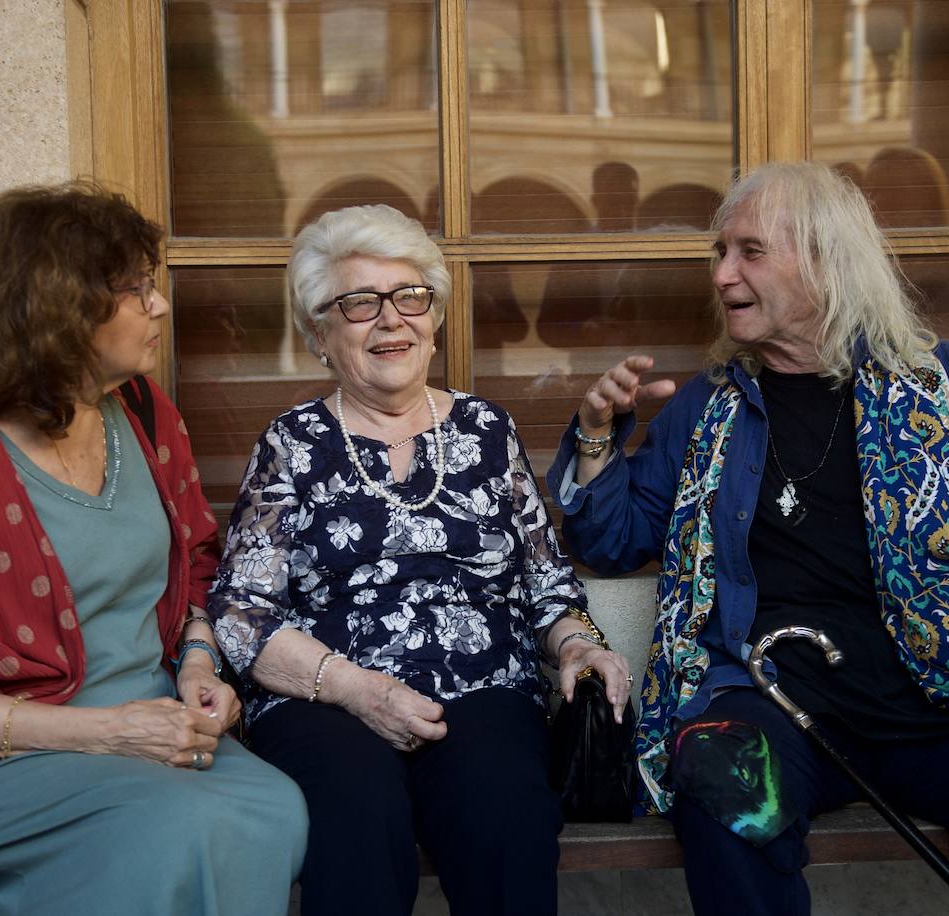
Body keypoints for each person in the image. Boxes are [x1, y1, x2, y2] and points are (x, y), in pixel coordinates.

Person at [546, 161, 949, 915]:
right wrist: (593, 437)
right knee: (721, 781)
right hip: (775, 700)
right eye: (719, 253)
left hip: (947, 703)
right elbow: (612, 540)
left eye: (749, 251)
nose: (721, 274)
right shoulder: (708, 409)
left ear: (825, 260)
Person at [0, 183, 307, 916]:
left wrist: (197, 663)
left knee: (279, 807)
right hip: (12, 754)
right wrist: (109, 733)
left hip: (158, 723)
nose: (159, 306)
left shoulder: (143, 412)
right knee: (184, 827)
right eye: (134, 290)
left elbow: (196, 560)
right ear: (58, 310)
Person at [207, 203, 631, 916]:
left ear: (433, 319)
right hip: (326, 695)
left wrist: (579, 646)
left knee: (508, 816)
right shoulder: (293, 443)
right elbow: (242, 616)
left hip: (482, 689)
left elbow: (548, 586)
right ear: (320, 332)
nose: (391, 319)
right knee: (353, 820)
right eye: (359, 303)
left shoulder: (487, 430)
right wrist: (353, 689)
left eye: (410, 297)